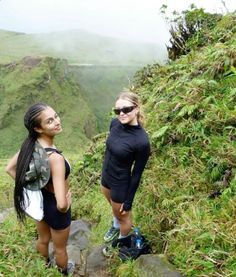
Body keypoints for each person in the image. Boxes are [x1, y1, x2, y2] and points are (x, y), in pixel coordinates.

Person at [5, 103, 73, 275]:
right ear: (38, 128)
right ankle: (63, 272)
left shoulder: (29, 146)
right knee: (60, 249)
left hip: (39, 202)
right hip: (55, 207)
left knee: (43, 240)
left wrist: (30, 188)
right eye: (50, 121)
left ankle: (44, 270)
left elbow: (9, 169)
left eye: (56, 116)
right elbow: (61, 205)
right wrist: (66, 203)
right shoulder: (55, 158)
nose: (57, 121)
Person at [101, 91, 150, 249]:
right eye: (117, 111)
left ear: (136, 109)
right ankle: (115, 227)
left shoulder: (141, 141)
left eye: (126, 109)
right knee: (115, 212)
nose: (121, 114)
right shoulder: (114, 124)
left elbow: (137, 174)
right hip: (106, 177)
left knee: (124, 216)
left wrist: (128, 201)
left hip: (120, 183)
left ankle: (122, 242)